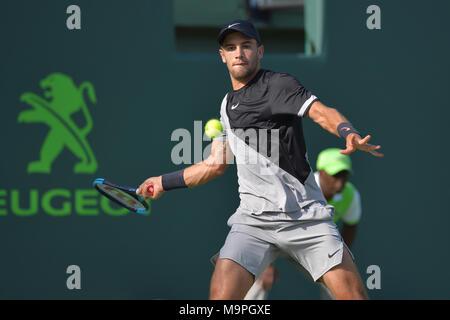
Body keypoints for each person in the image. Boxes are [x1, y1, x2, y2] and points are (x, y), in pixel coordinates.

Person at [137, 19, 383, 300]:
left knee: (354, 297)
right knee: (221, 297)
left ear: (260, 51)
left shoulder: (280, 84)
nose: (238, 53)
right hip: (253, 221)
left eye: (246, 46)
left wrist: (346, 131)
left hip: (305, 216)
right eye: (231, 48)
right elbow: (214, 165)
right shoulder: (226, 106)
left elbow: (321, 112)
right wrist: (163, 182)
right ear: (223, 56)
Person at [244, 148, 363, 300]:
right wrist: (265, 264)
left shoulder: (350, 195)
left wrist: (337, 259)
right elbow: (267, 222)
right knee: (257, 275)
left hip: (310, 245)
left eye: (344, 176)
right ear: (321, 172)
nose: (340, 182)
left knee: (338, 279)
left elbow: (351, 225)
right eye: (335, 175)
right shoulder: (297, 188)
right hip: (276, 239)